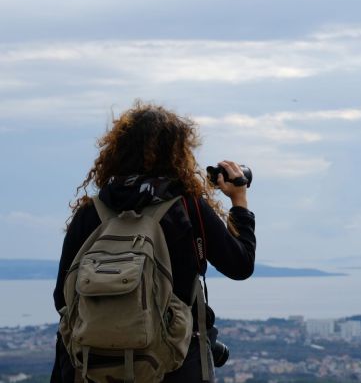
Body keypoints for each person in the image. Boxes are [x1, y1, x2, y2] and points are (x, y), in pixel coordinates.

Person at [51, 101, 256, 382]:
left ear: (116, 152)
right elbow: (240, 265)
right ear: (178, 154)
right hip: (173, 366)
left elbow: (62, 297)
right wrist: (239, 201)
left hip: (92, 367)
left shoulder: (91, 212)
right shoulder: (187, 208)